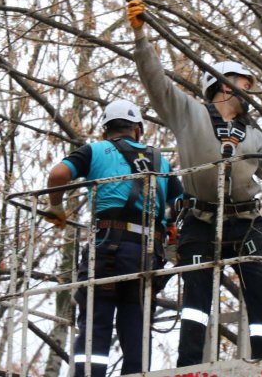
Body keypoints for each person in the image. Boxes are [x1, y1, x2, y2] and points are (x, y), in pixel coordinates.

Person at [125, 0, 262, 366]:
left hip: (246, 222)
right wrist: (141, 37)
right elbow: (156, 83)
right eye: (245, 83)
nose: (250, 90)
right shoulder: (189, 114)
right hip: (201, 222)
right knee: (196, 301)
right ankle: (190, 366)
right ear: (224, 86)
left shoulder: (254, 136)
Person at [44, 100, 183, 376]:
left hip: (108, 249)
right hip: (146, 255)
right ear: (138, 130)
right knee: (137, 329)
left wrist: (56, 206)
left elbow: (58, 173)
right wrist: (169, 227)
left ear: (105, 131)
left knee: (96, 324)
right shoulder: (161, 160)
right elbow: (179, 202)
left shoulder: (95, 151)